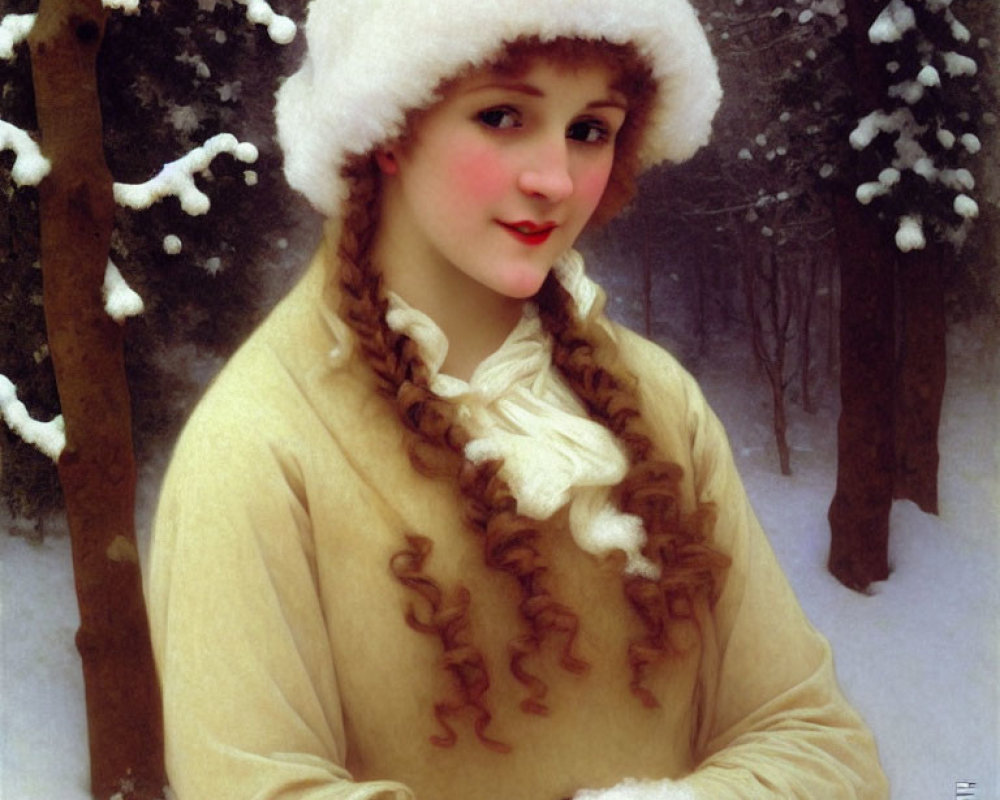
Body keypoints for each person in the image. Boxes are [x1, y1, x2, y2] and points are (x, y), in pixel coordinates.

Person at [146, 1, 889, 798]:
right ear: (391, 125)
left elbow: (817, 741)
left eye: (590, 130)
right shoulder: (260, 441)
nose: (555, 180)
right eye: (503, 116)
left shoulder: (660, 401)